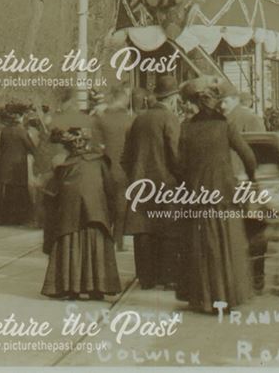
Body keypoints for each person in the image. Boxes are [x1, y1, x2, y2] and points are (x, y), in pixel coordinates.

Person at [176, 78, 258, 312]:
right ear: (216, 104)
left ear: (197, 105)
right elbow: (248, 156)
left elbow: (180, 164)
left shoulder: (187, 128)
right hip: (223, 196)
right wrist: (252, 178)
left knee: (201, 246)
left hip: (196, 197)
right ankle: (226, 296)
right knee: (226, 245)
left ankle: (203, 298)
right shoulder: (226, 127)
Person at [41, 112, 121, 300]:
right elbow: (111, 192)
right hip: (97, 216)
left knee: (70, 237)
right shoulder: (99, 163)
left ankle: (71, 286)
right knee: (96, 236)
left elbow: (50, 196)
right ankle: (97, 286)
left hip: (69, 219)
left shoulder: (63, 167)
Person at [121, 75, 182, 289]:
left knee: (143, 230)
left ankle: (145, 277)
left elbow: (125, 157)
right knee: (167, 230)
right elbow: (175, 154)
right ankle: (167, 277)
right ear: (173, 98)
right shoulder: (170, 119)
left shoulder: (139, 119)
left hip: (140, 183)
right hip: (165, 184)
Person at [91, 89, 134, 248]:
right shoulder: (131, 120)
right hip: (123, 168)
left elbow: (95, 145)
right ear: (123, 100)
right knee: (121, 204)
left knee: (105, 204)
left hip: (104, 167)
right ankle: (118, 240)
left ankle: (105, 238)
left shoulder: (101, 120)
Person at [0, 106, 36, 225]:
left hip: (5, 163)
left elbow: (1, 146)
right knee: (17, 190)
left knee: (5, 190)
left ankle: (2, 217)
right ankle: (18, 218)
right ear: (20, 117)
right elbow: (30, 147)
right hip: (18, 165)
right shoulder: (21, 130)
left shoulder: (5, 130)